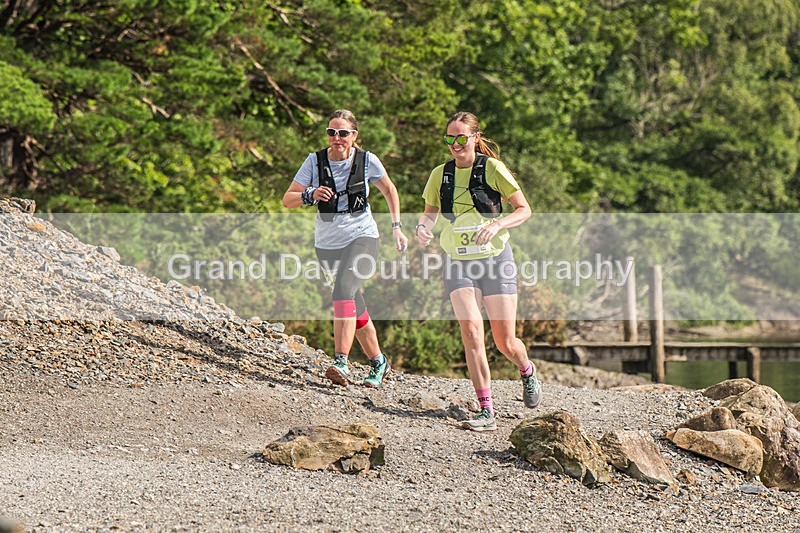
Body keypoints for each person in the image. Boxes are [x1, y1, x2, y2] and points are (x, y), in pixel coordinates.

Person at [415, 111, 542, 431]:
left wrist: (498, 223)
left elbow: (524, 209)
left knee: (505, 342)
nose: (455, 144)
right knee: (471, 331)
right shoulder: (439, 175)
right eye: (449, 139)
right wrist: (422, 228)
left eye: (461, 138)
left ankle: (526, 370)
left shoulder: (493, 169)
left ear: (475, 137)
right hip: (457, 260)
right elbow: (429, 214)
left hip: (496, 259)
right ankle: (486, 410)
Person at [283, 109, 407, 388]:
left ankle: (341, 361)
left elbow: (389, 190)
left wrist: (397, 227)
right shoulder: (314, 161)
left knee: (343, 291)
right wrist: (310, 194)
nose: (336, 138)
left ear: (354, 136)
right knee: (353, 302)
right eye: (331, 132)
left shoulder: (367, 161)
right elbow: (287, 199)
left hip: (363, 236)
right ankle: (378, 361)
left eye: (343, 133)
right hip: (326, 244)